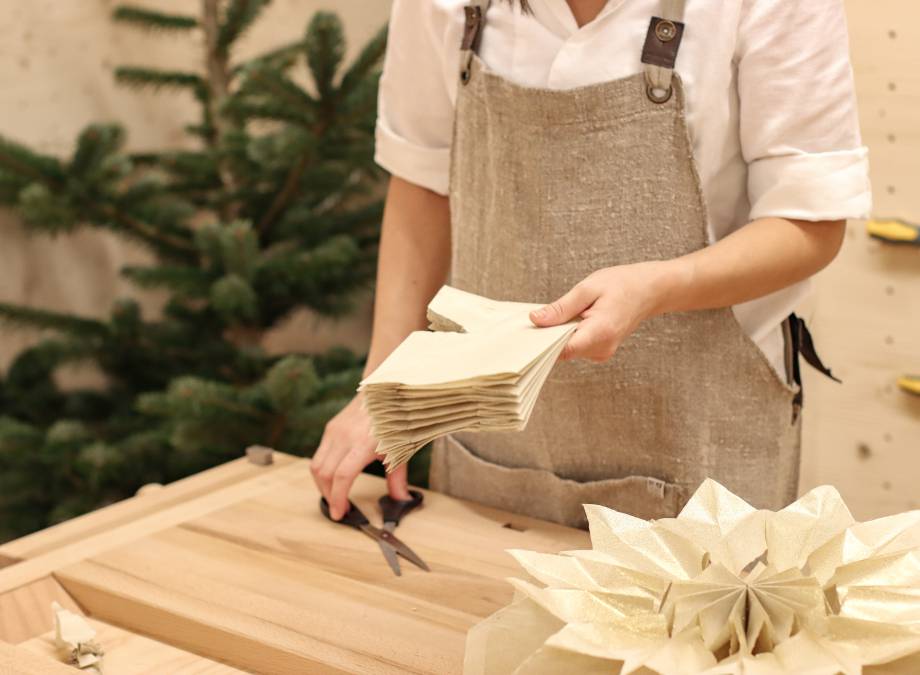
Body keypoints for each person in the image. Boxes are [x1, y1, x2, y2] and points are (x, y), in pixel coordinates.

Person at [311, 0, 870, 527]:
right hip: (492, 451)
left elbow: (809, 226)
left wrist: (658, 286)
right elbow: (421, 181)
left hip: (704, 449)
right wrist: (384, 389)